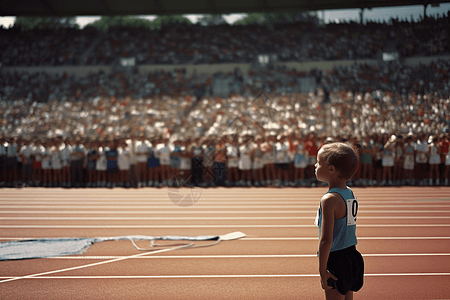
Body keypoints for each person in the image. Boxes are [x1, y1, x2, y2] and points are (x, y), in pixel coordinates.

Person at [314, 142, 364, 300]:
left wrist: (322, 270)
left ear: (331, 169)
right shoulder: (348, 192)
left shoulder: (330, 199)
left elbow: (326, 240)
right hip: (352, 255)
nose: (315, 165)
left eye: (318, 162)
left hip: (336, 259)